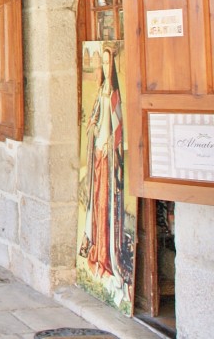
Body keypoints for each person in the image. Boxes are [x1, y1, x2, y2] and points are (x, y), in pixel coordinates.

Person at [79, 46, 126, 280]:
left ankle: (106, 255)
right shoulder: (100, 93)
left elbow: (119, 128)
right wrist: (94, 128)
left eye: (108, 64)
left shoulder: (115, 94)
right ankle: (95, 248)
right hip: (98, 154)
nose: (105, 68)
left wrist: (110, 142)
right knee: (96, 203)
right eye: (103, 63)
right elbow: (94, 118)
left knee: (105, 204)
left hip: (108, 157)